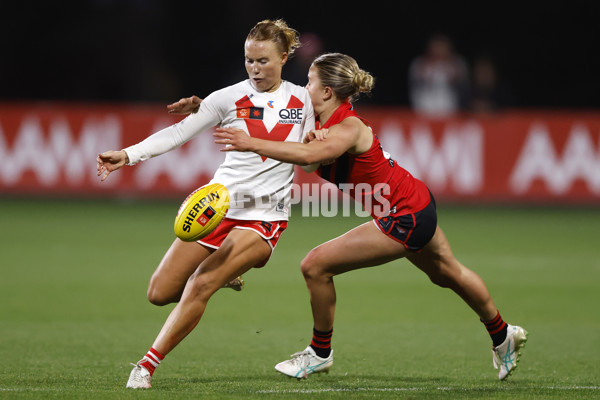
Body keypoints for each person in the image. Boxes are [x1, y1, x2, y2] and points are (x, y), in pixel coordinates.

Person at [212, 52, 528, 381]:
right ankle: (504, 335)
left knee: (315, 265)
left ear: (327, 92)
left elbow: (307, 156)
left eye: (310, 81)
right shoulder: (321, 125)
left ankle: (319, 353)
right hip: (415, 202)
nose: (304, 87)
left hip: (403, 214)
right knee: (448, 273)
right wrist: (308, 136)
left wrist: (253, 143)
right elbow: (308, 161)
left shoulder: (348, 126)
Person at [96, 19, 316, 389]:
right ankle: (226, 276)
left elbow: (310, 162)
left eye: (263, 60)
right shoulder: (226, 97)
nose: (254, 68)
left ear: (284, 56)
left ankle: (146, 367)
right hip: (217, 207)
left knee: (200, 284)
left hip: (264, 218)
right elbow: (179, 133)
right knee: (159, 293)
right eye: (249, 60)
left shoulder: (303, 99)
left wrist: (311, 147)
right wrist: (127, 155)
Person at [408, 34, 469, 117]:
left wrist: (452, 75)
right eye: (436, 47)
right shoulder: (419, 63)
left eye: (442, 47)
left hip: (451, 110)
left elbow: (464, 88)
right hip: (424, 109)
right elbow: (413, 86)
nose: (439, 50)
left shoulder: (457, 63)